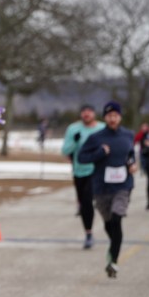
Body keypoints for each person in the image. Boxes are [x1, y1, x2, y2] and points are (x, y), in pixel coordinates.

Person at [78, 101, 137, 278]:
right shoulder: (96, 137)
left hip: (123, 186)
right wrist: (99, 153)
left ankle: (114, 261)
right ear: (105, 117)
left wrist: (132, 164)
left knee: (117, 218)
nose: (113, 119)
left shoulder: (128, 135)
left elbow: (131, 154)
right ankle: (114, 244)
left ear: (120, 117)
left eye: (116, 116)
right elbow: (81, 157)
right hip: (102, 187)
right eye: (109, 116)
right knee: (109, 222)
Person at [61, 104, 104, 249]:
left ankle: (90, 234)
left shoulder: (102, 128)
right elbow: (65, 151)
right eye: (84, 112)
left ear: (94, 114)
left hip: (97, 170)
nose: (86, 114)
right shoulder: (73, 129)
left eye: (89, 112)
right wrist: (75, 141)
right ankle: (88, 231)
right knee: (84, 202)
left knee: (87, 200)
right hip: (79, 171)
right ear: (80, 114)